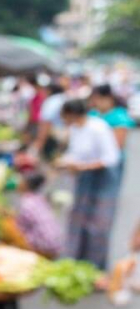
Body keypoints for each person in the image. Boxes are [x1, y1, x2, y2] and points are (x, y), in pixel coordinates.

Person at [56, 99, 121, 267]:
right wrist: (65, 162)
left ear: (72, 114)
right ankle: (77, 260)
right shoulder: (76, 129)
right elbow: (75, 153)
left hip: (103, 179)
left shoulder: (98, 128)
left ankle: (96, 265)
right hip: (85, 178)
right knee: (79, 220)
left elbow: (111, 158)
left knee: (98, 224)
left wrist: (83, 166)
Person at [13, 171, 63, 258]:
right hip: (56, 245)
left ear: (26, 185)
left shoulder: (27, 203)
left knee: (10, 232)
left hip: (44, 247)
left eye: (21, 181)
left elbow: (19, 227)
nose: (18, 183)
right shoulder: (39, 199)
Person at [89, 83, 135, 149]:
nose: (95, 101)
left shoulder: (120, 116)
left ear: (109, 98)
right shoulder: (92, 113)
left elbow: (118, 144)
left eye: (98, 98)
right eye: (93, 98)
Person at [32, 82, 66, 157]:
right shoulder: (65, 98)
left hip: (56, 137)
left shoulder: (51, 101)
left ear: (49, 91)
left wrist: (39, 142)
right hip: (67, 137)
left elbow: (46, 123)